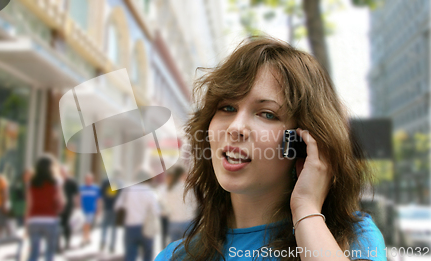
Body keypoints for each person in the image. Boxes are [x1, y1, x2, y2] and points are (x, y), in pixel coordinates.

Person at [155, 36, 386, 261]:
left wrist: (305, 211)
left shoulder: (353, 239)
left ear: (306, 142)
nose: (236, 128)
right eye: (227, 108)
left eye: (267, 114)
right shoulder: (175, 256)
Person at [25, 155, 65, 261]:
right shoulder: (56, 182)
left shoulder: (31, 184)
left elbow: (29, 205)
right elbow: (61, 202)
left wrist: (26, 224)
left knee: (34, 252)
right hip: (50, 219)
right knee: (49, 252)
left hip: (34, 220)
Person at [115, 169, 160, 261]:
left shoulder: (127, 190)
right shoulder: (150, 192)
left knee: (130, 255)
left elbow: (117, 206)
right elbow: (156, 211)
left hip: (130, 227)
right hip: (146, 228)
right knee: (147, 255)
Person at [164, 166, 196, 243]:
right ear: (181, 175)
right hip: (187, 222)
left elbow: (166, 206)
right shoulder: (188, 188)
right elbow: (195, 204)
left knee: (175, 248)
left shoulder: (169, 189)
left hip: (173, 223)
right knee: (187, 248)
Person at [59, 165, 79, 250]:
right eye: (61, 172)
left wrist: (78, 206)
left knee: (67, 225)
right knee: (58, 225)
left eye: (63, 172)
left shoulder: (71, 182)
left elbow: (77, 194)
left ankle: (67, 242)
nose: (62, 173)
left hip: (68, 207)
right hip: (58, 207)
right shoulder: (57, 182)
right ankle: (57, 244)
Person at [99, 173, 121, 253]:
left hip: (107, 207)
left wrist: (103, 203)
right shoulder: (119, 183)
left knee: (105, 226)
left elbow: (101, 194)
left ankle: (103, 241)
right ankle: (112, 246)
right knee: (114, 228)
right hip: (115, 209)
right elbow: (121, 197)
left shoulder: (105, 182)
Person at [79, 173, 101, 246]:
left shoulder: (96, 188)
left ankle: (86, 237)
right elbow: (78, 198)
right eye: (87, 179)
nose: (88, 180)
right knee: (84, 224)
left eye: (90, 179)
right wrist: (77, 207)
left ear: (92, 180)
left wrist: (98, 209)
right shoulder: (81, 188)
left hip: (91, 209)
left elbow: (98, 200)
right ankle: (86, 237)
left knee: (88, 224)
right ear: (85, 180)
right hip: (83, 209)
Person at [157, 172, 173, 248]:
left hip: (172, 214)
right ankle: (163, 247)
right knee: (163, 232)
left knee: (170, 232)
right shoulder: (161, 188)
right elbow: (159, 201)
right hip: (163, 214)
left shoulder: (173, 188)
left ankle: (169, 247)